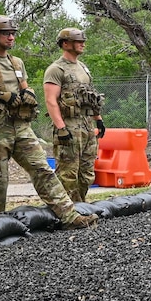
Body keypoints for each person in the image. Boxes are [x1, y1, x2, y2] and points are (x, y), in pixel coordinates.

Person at [0, 15, 97, 229]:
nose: (11, 37)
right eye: (6, 33)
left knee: (42, 169)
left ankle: (71, 217)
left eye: (13, 33)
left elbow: (24, 85)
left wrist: (28, 93)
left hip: (21, 126)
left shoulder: (17, 62)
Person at [43, 27, 105, 203]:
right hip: (68, 125)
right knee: (67, 172)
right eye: (79, 41)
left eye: (83, 41)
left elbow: (90, 97)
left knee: (86, 173)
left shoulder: (83, 68)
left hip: (86, 124)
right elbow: (51, 100)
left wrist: (98, 120)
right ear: (65, 44)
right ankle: (67, 211)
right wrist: (61, 128)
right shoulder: (56, 69)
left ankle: (81, 206)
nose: (83, 44)